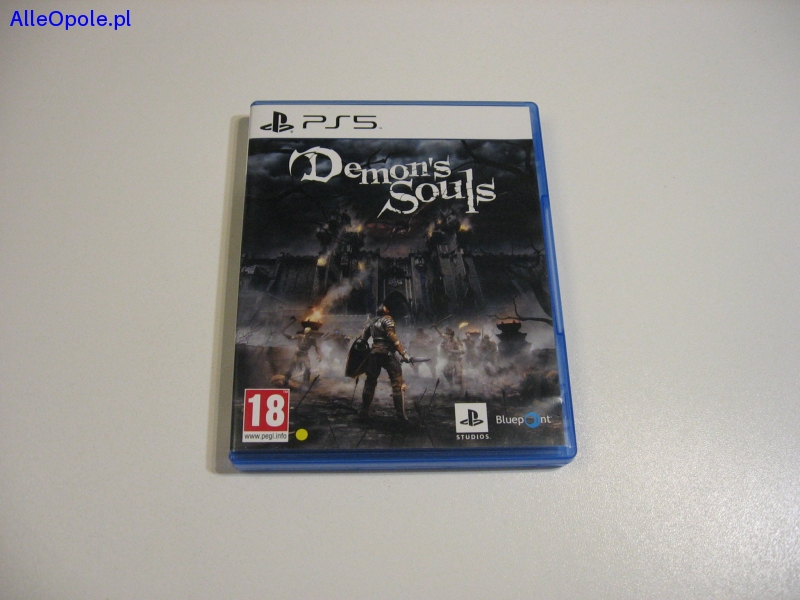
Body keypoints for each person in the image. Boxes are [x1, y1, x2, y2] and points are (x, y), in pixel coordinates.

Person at [357, 304, 411, 422]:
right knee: (397, 382)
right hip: (387, 354)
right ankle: (400, 415)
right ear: (386, 312)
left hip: (374, 354)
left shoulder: (371, 322)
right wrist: (403, 354)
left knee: (370, 382)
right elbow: (392, 336)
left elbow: (363, 340)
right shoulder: (387, 319)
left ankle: (364, 412)